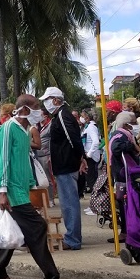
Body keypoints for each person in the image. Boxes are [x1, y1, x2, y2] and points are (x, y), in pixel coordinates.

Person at [0, 94, 77, 279]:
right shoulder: (9, 129)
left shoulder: (25, 130)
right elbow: (3, 160)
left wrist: (31, 183)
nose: (41, 110)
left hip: (21, 189)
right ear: (26, 110)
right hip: (11, 192)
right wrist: (2, 191)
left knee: (17, 231)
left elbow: (22, 159)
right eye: (37, 107)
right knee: (37, 228)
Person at [40, 86, 86, 250]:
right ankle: (73, 237)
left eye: (47, 100)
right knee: (68, 203)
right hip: (64, 165)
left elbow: (74, 139)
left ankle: (73, 239)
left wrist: (82, 158)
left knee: (69, 204)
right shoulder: (60, 115)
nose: (46, 104)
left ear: (56, 100)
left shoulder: (63, 115)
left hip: (67, 165)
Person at [108, 112, 140, 242]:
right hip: (123, 175)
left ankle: (128, 231)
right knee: (124, 204)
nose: (136, 124)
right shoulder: (121, 135)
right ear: (126, 124)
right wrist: (132, 146)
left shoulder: (126, 134)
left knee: (127, 203)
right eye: (133, 122)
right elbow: (116, 149)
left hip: (126, 173)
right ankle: (125, 232)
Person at [35, 108, 56, 206]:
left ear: (45, 116)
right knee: (39, 179)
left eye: (40, 114)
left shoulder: (50, 125)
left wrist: (51, 155)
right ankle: (43, 199)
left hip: (46, 155)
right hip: (36, 155)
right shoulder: (36, 125)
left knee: (48, 178)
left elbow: (53, 140)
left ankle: (51, 199)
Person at [81, 109, 101, 193]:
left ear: (87, 117)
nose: (81, 118)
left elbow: (96, 141)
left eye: (82, 116)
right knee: (91, 180)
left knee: (91, 181)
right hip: (90, 156)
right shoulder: (89, 126)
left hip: (91, 157)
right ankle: (94, 203)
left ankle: (95, 203)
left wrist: (89, 154)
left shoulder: (91, 127)